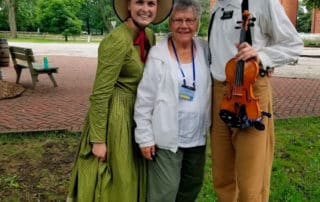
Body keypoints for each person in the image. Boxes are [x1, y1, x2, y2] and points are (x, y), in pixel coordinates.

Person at [66, 0, 172, 201]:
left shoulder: (148, 36)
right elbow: (100, 94)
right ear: (129, 6)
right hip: (117, 118)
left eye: (151, 3)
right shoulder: (116, 40)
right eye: (139, 2)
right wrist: (98, 140)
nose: (145, 9)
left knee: (133, 177)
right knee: (117, 181)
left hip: (138, 114)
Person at [208, 0, 303, 201]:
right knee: (222, 176)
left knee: (251, 180)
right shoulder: (217, 7)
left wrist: (262, 56)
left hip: (250, 92)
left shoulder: (264, 2)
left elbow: (293, 43)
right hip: (219, 94)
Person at [134, 0, 212, 201]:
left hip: (197, 139)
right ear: (170, 23)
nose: (183, 25)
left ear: (197, 23)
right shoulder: (158, 54)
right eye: (178, 20)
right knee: (164, 194)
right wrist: (145, 137)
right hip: (167, 139)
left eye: (189, 20)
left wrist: (261, 60)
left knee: (190, 189)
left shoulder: (205, 49)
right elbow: (144, 99)